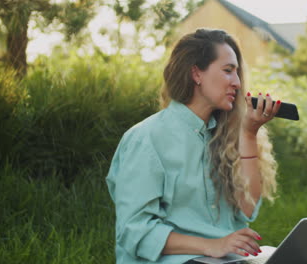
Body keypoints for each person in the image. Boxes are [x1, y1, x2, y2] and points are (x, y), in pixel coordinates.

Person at [106, 28, 280, 264]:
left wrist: (248, 134)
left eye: (237, 73)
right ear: (196, 74)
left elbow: (247, 210)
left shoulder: (225, 136)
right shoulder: (146, 139)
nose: (237, 83)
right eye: (228, 71)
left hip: (225, 260)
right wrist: (213, 245)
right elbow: (134, 231)